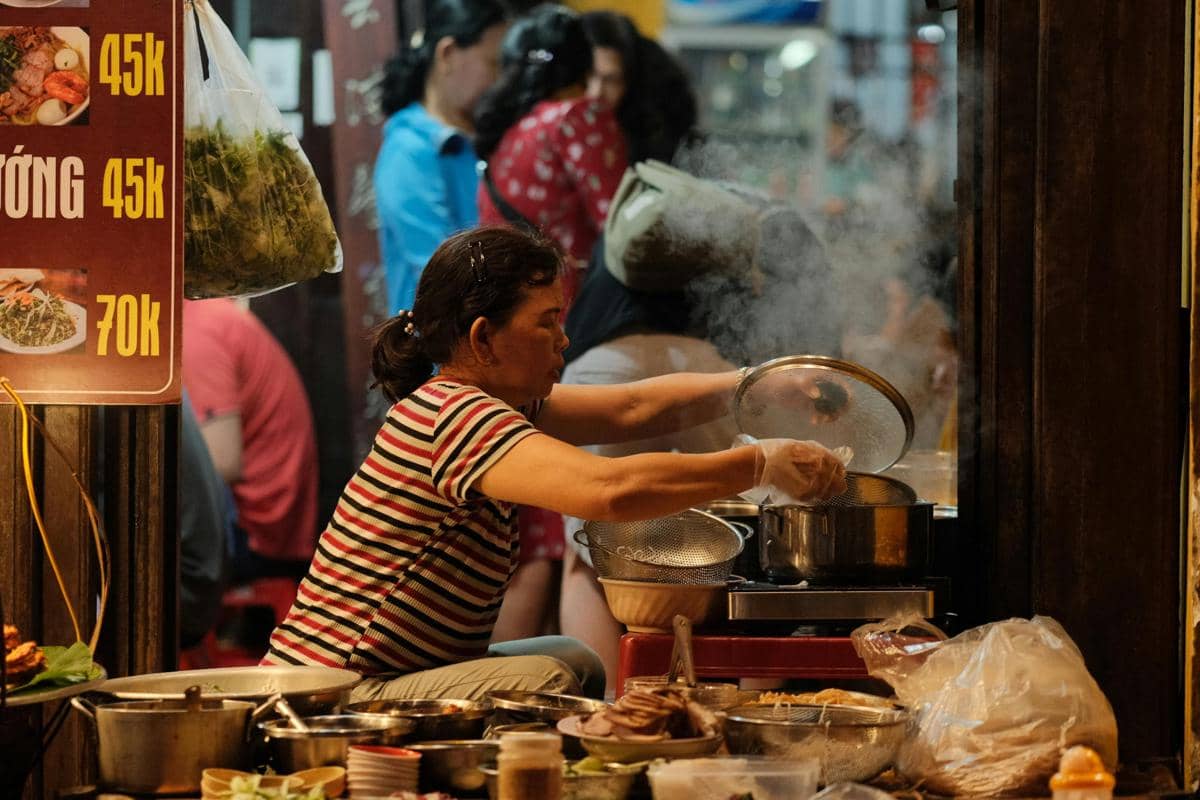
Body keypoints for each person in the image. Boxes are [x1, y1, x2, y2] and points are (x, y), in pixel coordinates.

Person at [262, 225, 846, 702]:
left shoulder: (487, 402)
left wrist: (759, 385)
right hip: (334, 693)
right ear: (484, 338)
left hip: (377, 679)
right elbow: (609, 489)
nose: (563, 340)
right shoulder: (456, 416)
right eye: (546, 322)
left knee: (574, 658)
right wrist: (760, 463)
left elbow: (633, 407)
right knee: (548, 682)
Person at [558, 239, 739, 695]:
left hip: (604, 364)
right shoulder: (708, 222)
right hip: (701, 364)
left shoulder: (619, 225)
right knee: (731, 534)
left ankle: (605, 703)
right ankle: (742, 704)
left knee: (589, 547)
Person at [474, 3, 628, 305]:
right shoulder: (576, 116)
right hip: (566, 311)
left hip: (509, 310)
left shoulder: (512, 128)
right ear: (584, 61)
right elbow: (620, 225)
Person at [374, 0, 510, 316]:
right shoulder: (410, 149)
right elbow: (442, 273)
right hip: (442, 353)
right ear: (447, 54)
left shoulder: (484, 138)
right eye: (492, 64)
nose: (500, 80)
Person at [182, 298, 320, 584]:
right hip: (280, 523)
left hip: (260, 533)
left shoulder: (197, 330)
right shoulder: (206, 312)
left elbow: (223, 463)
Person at [581, 11, 698, 165]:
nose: (596, 92)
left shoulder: (651, 128)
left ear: (629, 80)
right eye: (588, 76)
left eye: (612, 80)